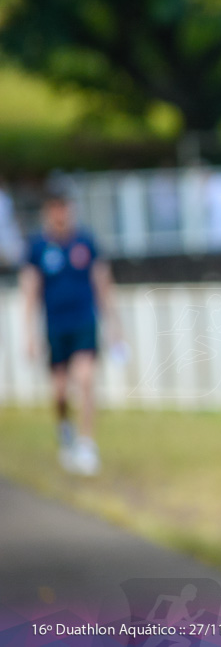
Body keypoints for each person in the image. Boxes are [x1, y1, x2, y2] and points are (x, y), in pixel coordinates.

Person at [20, 192, 120, 476]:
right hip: (55, 326)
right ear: (48, 212)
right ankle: (65, 428)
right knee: (60, 391)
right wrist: (28, 334)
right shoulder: (38, 247)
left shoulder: (85, 242)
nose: (61, 215)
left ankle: (87, 444)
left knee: (86, 379)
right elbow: (30, 292)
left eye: (65, 208)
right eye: (56, 209)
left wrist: (114, 325)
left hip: (84, 322)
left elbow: (103, 283)